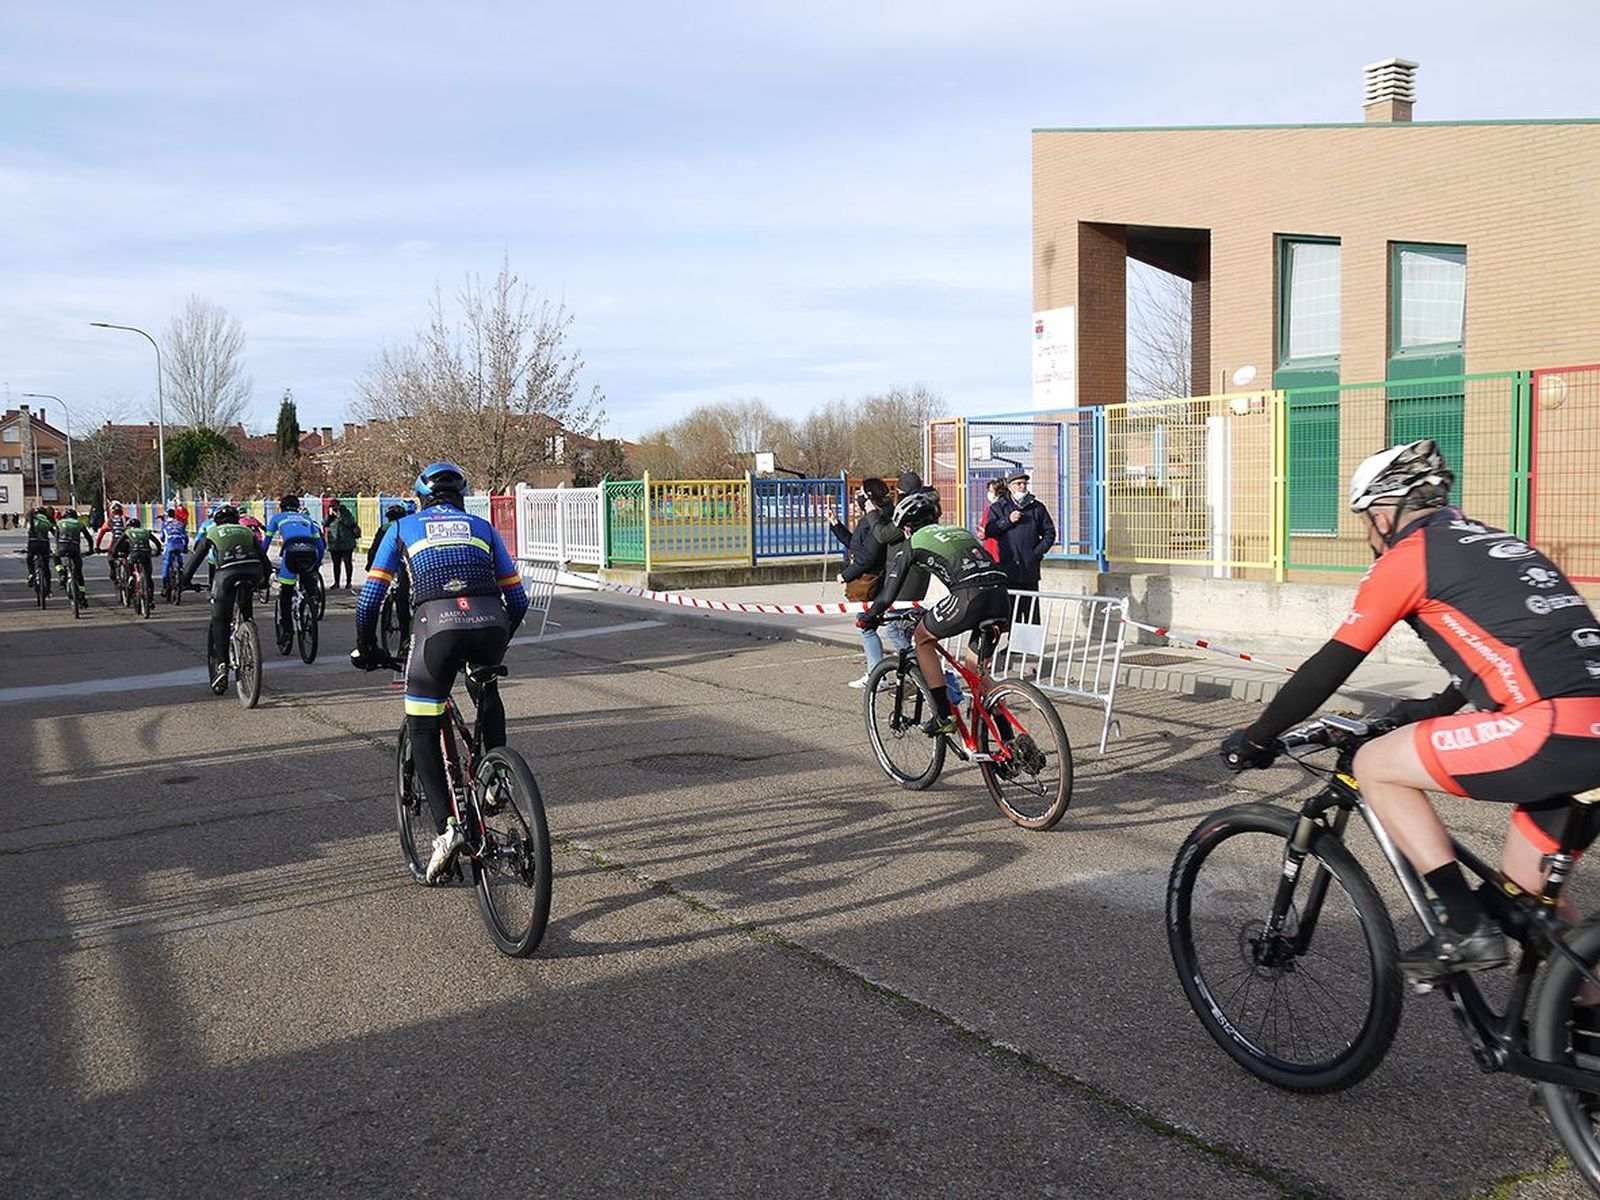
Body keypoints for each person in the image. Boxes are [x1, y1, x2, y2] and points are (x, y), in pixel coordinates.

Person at [1220, 439, 1600, 981]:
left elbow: (1330, 666)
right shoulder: (1502, 544)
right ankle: (1584, 1026)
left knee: (1375, 764)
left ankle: (1463, 928)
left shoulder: (1408, 558)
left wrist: (1257, 738)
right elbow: (1512, 645)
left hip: (1549, 729)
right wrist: (1433, 707)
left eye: (1365, 523)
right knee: (1524, 898)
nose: (1369, 536)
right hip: (1586, 728)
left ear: (1383, 511)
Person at [352, 463, 529, 884]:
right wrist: (498, 640)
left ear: (419, 498)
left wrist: (369, 646)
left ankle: (447, 831)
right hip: (490, 623)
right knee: (486, 686)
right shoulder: (482, 527)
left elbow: (371, 598)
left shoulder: (403, 528)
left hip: (436, 628)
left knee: (423, 725)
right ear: (461, 499)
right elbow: (518, 599)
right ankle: (494, 779)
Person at [857, 489, 1011, 737]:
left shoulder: (914, 543)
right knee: (976, 675)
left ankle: (943, 716)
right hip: (1001, 597)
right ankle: (1011, 742)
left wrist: (869, 617)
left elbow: (888, 594)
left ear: (907, 527)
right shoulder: (960, 530)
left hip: (969, 596)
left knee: (923, 638)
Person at [827, 479, 912, 688]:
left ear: (870, 495)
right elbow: (856, 544)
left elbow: (868, 556)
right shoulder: (872, 517)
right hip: (877, 580)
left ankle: (903, 672)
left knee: (887, 629)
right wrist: (836, 524)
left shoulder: (881, 516)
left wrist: (846, 575)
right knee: (873, 627)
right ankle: (880, 674)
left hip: (874, 582)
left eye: (861, 493)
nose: (858, 497)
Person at [179, 504, 271, 693]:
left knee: (220, 618)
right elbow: (266, 562)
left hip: (226, 575)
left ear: (217, 520)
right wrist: (263, 581)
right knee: (245, 611)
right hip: (253, 572)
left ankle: (221, 665)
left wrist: (185, 583)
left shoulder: (212, 532)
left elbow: (194, 562)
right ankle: (248, 631)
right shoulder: (247, 531)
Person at [983, 471, 1056, 622]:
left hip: (1029, 568)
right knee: (1011, 612)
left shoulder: (1037, 507)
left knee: (1031, 613)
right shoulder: (999, 507)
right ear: (1010, 487)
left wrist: (1035, 554)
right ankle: (1013, 645)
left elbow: (1049, 533)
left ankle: (1031, 645)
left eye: (1024, 483)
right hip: (1008, 567)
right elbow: (990, 530)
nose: (1022, 486)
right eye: (1018, 484)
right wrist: (1008, 521)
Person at [261, 496, 327, 635]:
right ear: (297, 507)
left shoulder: (277, 518)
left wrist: (262, 562)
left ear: (282, 507)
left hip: (291, 551)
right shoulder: (307, 519)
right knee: (309, 584)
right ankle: (310, 606)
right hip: (310, 551)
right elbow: (320, 546)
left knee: (286, 591)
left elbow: (265, 544)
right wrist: (317, 564)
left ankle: (287, 630)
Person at [112, 517, 163, 604]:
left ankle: (131, 577)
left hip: (134, 554)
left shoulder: (128, 532)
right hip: (146, 554)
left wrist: (114, 554)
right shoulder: (145, 531)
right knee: (148, 577)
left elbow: (117, 544)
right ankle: (150, 599)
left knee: (130, 566)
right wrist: (157, 552)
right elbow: (157, 543)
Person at [325, 501, 361, 590]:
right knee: (336, 564)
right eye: (332, 507)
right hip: (335, 544)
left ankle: (349, 582)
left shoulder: (346, 513)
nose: (334, 508)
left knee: (347, 563)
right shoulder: (330, 515)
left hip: (347, 543)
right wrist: (330, 516)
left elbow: (350, 522)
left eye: (335, 506)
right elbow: (324, 523)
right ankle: (336, 582)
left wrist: (339, 516)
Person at [95, 502, 131, 587]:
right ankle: (131, 576)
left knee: (111, 554)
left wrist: (97, 547)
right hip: (127, 543)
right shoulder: (127, 519)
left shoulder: (109, 521)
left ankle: (113, 570)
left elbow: (101, 534)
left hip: (116, 543)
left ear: (111, 512)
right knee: (129, 559)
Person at [158, 506, 190, 600]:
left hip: (170, 545)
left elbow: (162, 537)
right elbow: (185, 537)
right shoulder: (180, 524)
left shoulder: (165, 524)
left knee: (166, 563)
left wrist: (163, 541)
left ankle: (165, 585)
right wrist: (185, 547)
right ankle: (180, 570)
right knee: (179, 559)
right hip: (180, 545)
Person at [24, 504, 56, 594]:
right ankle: (48, 588)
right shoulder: (47, 521)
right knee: (46, 567)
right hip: (44, 544)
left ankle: (31, 574)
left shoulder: (33, 518)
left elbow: (28, 528)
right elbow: (54, 533)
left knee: (29, 558)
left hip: (33, 543)